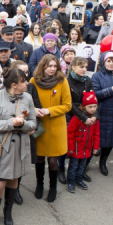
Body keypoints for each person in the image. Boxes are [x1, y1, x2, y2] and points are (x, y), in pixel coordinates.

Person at [0, 68, 36, 225]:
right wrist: (11, 123)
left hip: (19, 148)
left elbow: (33, 123)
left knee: (13, 182)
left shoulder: (27, 97)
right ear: (14, 84)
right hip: (1, 148)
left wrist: (23, 125)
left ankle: (8, 212)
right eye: (24, 81)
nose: (27, 83)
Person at [30, 54, 72, 201]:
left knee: (53, 161)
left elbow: (67, 105)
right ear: (43, 67)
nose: (52, 69)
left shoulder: (62, 81)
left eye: (55, 66)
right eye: (49, 66)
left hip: (56, 126)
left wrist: (50, 110)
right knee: (40, 158)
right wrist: (34, 109)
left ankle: (52, 187)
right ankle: (39, 185)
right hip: (40, 126)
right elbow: (27, 100)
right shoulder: (33, 81)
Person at [66, 92, 99, 193]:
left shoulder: (95, 120)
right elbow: (69, 133)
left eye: (94, 106)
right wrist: (70, 148)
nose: (93, 109)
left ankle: (79, 180)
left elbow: (96, 134)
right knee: (73, 166)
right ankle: (70, 181)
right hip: (76, 148)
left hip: (87, 149)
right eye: (90, 106)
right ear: (84, 107)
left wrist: (95, 147)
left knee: (82, 166)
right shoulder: (76, 119)